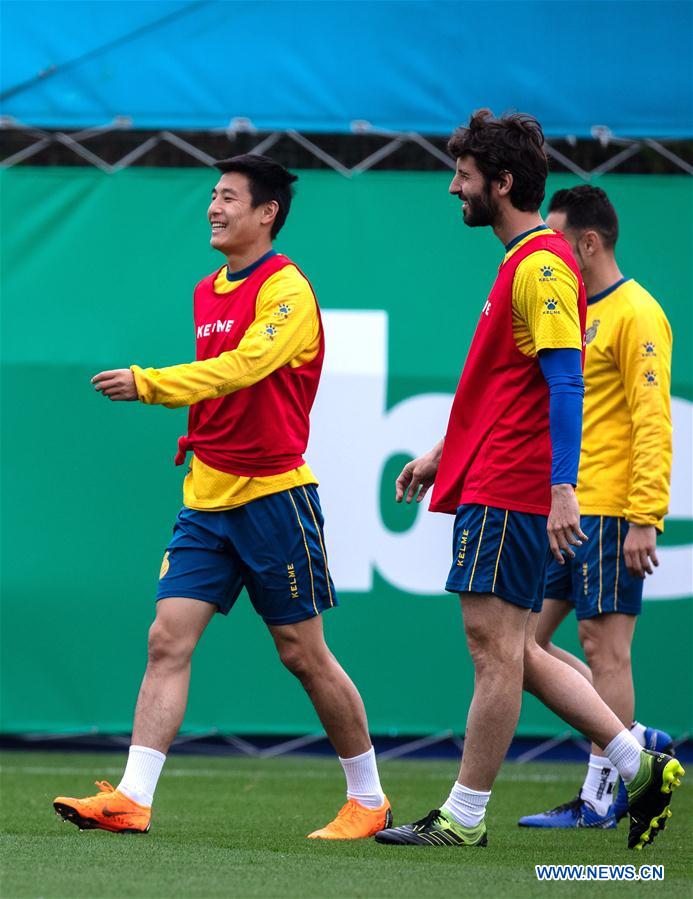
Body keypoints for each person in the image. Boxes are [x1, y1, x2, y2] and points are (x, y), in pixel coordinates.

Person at [53, 154, 391, 841]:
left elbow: (245, 368)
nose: (212, 206)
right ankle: (132, 796)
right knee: (165, 638)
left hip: (273, 496)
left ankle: (369, 797)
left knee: (302, 653)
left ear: (266, 213)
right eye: (211, 195)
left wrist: (149, 383)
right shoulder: (207, 289)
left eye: (228, 197)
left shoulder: (287, 288)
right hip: (206, 497)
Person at [374, 111, 684, 850]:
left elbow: (564, 382)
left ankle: (464, 815)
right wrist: (441, 452)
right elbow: (504, 385)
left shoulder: (542, 264)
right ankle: (637, 766)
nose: (454, 187)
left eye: (464, 175)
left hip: (510, 487)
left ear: (501, 182)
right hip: (495, 478)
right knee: (515, 651)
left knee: (495, 649)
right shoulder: (523, 261)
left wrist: (560, 488)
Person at [518, 185, 674, 829]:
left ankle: (600, 796)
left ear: (589, 242)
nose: (551, 253)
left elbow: (653, 420)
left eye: (560, 240)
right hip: (570, 510)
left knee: (603, 649)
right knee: (520, 644)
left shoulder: (637, 312)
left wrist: (646, 515)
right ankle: (632, 742)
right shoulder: (575, 312)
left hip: (613, 511)